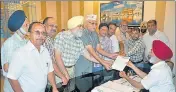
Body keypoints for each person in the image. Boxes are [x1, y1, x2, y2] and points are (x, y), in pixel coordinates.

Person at [7, 22, 58, 92]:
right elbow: (12, 78)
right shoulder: (20, 53)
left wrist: (54, 87)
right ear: (29, 34)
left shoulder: (45, 51)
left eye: (43, 33)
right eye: (37, 32)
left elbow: (50, 70)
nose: (41, 36)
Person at [54, 16, 98, 91]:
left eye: (82, 26)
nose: (82, 28)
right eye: (79, 26)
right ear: (72, 26)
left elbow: (89, 57)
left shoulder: (79, 41)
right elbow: (57, 57)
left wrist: (103, 62)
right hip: (60, 71)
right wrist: (65, 73)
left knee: (71, 90)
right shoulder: (62, 36)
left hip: (72, 70)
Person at [1, 10, 29, 92]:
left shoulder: (25, 42)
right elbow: (7, 68)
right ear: (18, 27)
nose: (28, 26)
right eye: (26, 25)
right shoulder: (10, 43)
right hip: (13, 88)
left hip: (24, 85)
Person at [43, 17, 69, 88]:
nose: (54, 28)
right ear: (44, 26)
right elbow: (51, 62)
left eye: (56, 26)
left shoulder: (51, 39)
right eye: (51, 25)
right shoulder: (44, 40)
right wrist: (63, 76)